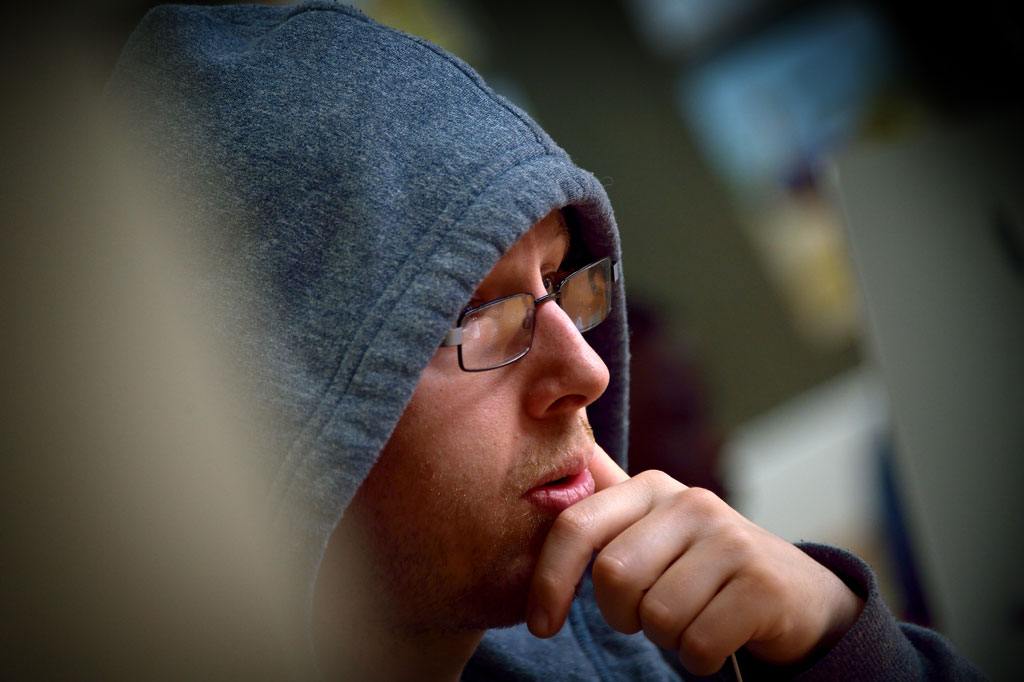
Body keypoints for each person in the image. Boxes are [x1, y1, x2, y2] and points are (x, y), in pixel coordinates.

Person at [104, 2, 985, 680]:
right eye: (472, 310)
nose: (589, 371)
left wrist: (835, 643)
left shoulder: (648, 652)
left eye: (560, 284)